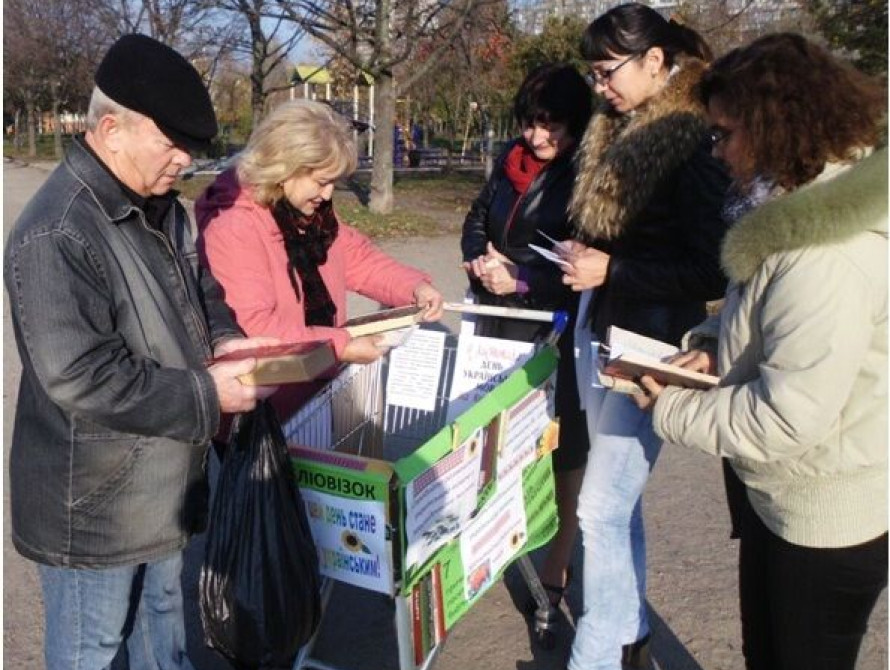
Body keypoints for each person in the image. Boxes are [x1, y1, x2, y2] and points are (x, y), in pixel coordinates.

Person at [4, 34, 279, 670]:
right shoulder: (56, 230)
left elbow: (202, 293)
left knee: (164, 635)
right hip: (94, 504)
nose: (185, 160)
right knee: (91, 651)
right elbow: (81, 376)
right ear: (111, 129)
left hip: (163, 482)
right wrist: (210, 395)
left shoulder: (162, 209)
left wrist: (227, 339)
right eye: (173, 143)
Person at [635, 33, 888, 670]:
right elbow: (771, 321)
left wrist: (667, 407)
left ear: (777, 128)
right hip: (787, 498)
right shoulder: (796, 215)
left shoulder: (823, 254)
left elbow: (786, 416)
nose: (714, 151)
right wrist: (713, 348)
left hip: (824, 521)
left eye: (723, 134)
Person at [559, 5, 731, 668]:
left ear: (656, 61)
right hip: (603, 333)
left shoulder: (692, 137)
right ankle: (629, 634)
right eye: (594, 71)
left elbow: (714, 264)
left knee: (598, 511)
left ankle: (597, 655)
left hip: (654, 350)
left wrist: (615, 268)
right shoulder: (616, 126)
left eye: (608, 71)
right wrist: (590, 254)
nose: (599, 85)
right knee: (615, 508)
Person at [196, 99, 444, 420]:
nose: (328, 195)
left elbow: (358, 259)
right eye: (322, 182)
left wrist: (414, 288)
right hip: (264, 409)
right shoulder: (234, 226)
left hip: (315, 393)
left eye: (333, 183)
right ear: (285, 169)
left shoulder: (310, 213)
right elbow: (255, 328)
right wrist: (341, 346)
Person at [460, 63, 593, 616]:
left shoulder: (585, 175)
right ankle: (499, 537)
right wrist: (478, 257)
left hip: (552, 326)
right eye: (531, 123)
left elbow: (584, 258)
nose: (537, 137)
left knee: (562, 443)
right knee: (498, 435)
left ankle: (558, 556)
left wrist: (518, 279)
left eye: (551, 125)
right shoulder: (509, 160)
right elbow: (476, 215)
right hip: (497, 320)